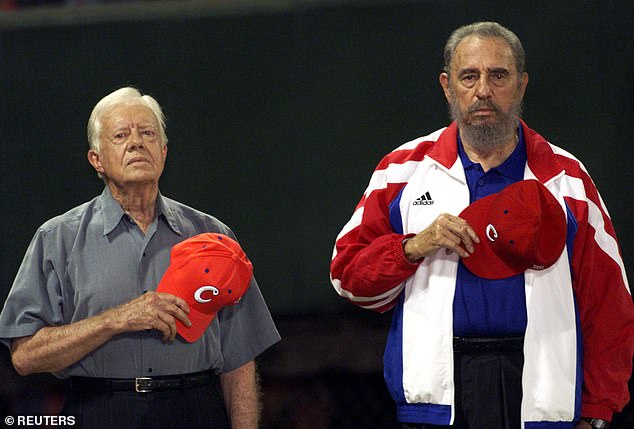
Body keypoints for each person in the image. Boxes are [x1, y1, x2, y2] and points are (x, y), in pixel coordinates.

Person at [329, 22, 634, 429]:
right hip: (434, 405)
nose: (483, 90)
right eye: (469, 76)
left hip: (543, 404)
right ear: (447, 86)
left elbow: (609, 303)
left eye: (499, 75)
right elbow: (347, 276)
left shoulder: (567, 180)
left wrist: (598, 412)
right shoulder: (402, 171)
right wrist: (412, 248)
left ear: (522, 85)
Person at [0, 87, 280, 429]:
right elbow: (25, 355)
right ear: (96, 160)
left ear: (163, 152)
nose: (136, 143)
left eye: (147, 133)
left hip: (195, 409)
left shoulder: (212, 236)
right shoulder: (57, 238)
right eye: (121, 135)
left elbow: (239, 360)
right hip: (100, 410)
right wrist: (116, 320)